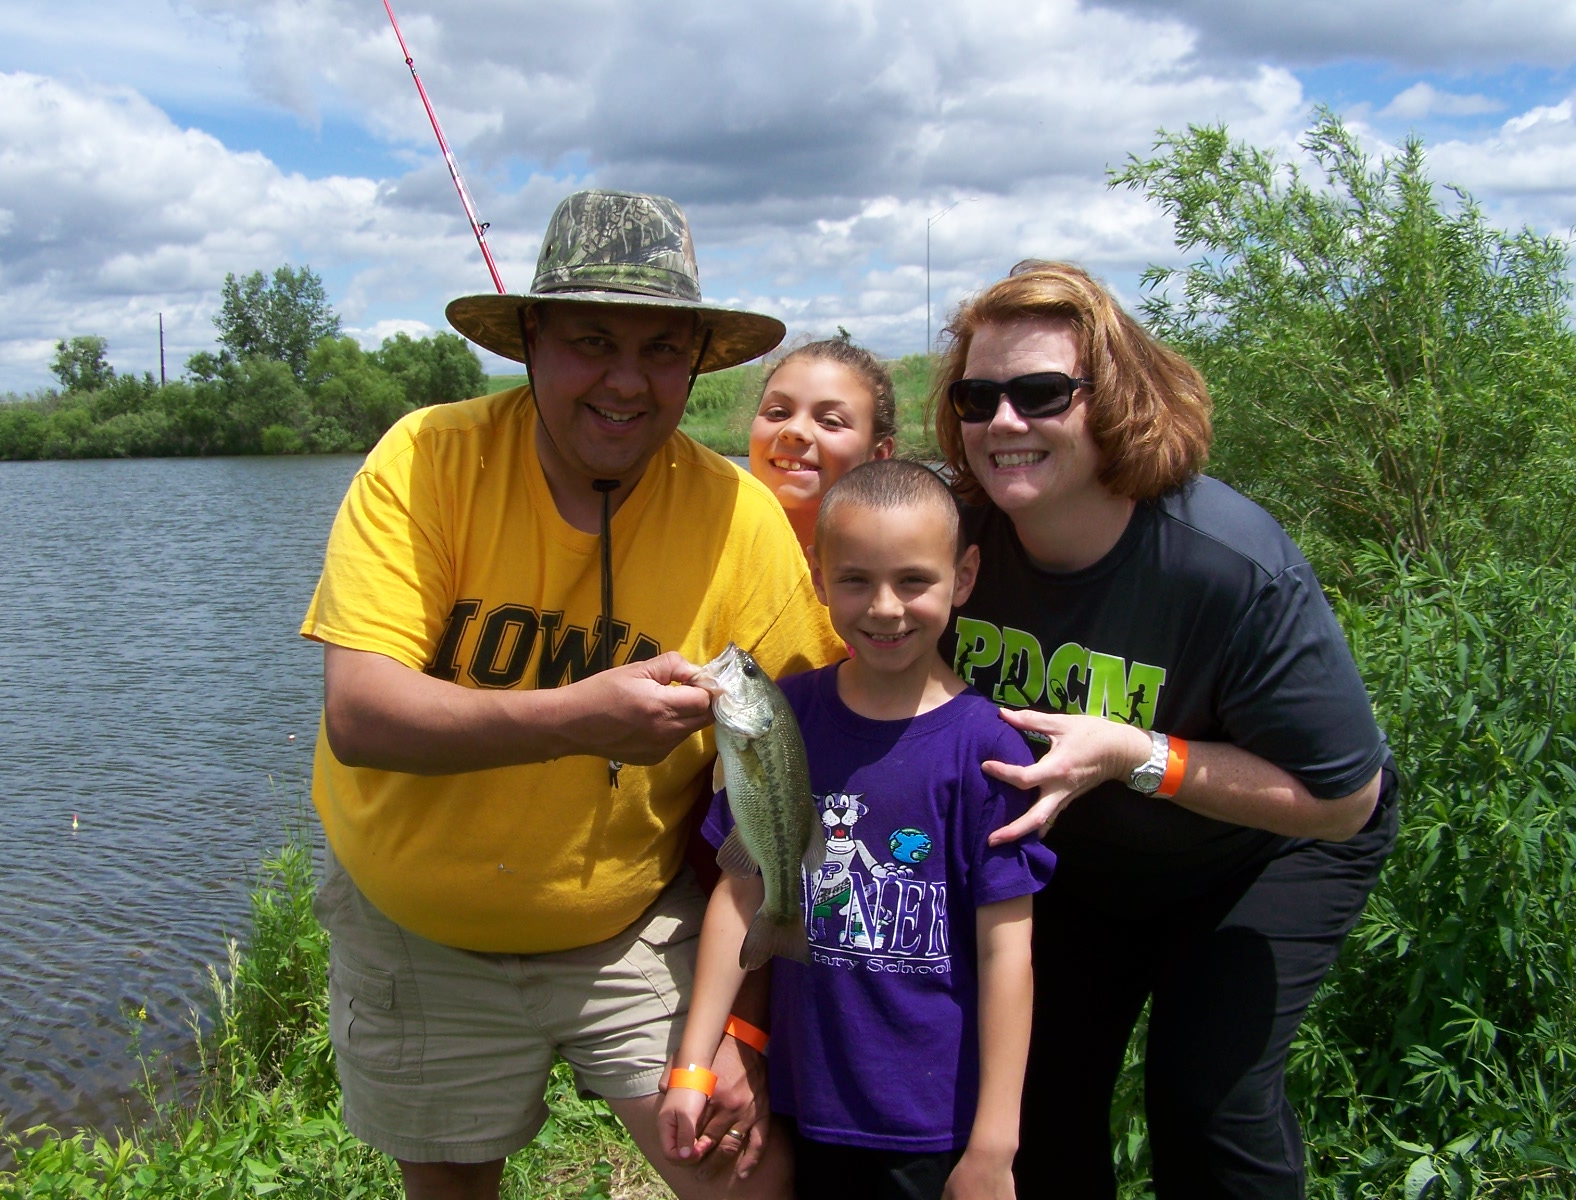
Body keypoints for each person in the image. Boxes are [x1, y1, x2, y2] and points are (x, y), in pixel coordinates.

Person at [300, 189, 844, 1200]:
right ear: (531, 341)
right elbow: (361, 713)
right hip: (419, 938)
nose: (627, 383)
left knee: (751, 1181)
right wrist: (574, 720)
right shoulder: (426, 462)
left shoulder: (741, 517)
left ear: (695, 363)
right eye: (592, 340)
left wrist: (746, 1026)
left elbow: (788, 785)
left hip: (633, 931)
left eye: (662, 351)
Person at [931, 260, 1399, 1198]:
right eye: (978, 397)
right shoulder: (959, 535)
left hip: (1261, 850)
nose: (1004, 424)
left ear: (1113, 402)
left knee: (1206, 1099)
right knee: (1033, 1095)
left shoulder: (1225, 565)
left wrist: (1141, 756)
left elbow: (1345, 799)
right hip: (1087, 854)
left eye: (1041, 393)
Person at [659, 460, 1055, 1200]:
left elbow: (1008, 953)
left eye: (914, 580)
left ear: (964, 576)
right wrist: (696, 1061)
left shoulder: (990, 750)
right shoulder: (789, 715)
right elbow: (741, 895)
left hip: (934, 1119)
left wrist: (995, 1142)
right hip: (809, 1101)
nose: (884, 607)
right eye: (854, 580)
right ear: (817, 576)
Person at [746, 337, 896, 550]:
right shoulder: (702, 534)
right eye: (778, 413)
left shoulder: (900, 566)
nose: (794, 430)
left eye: (830, 421)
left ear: (879, 454)